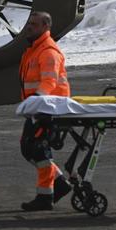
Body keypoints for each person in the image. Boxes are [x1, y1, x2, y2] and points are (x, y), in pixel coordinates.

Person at [18, 11, 72, 211]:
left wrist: (36, 101)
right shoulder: (33, 50)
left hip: (48, 109)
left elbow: (50, 81)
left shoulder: (48, 51)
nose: (29, 26)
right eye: (28, 23)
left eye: (34, 24)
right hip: (38, 108)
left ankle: (45, 196)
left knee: (38, 149)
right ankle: (58, 184)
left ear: (45, 27)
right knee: (29, 148)